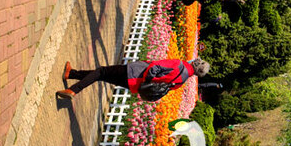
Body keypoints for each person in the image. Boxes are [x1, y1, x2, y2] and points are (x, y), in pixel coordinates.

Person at [61, 48, 218, 102]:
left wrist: (146, 77)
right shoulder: (181, 82)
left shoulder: (179, 64)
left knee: (101, 71)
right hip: (136, 86)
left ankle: (74, 89)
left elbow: (155, 68)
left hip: (134, 73)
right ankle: (72, 73)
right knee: (101, 75)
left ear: (196, 64)